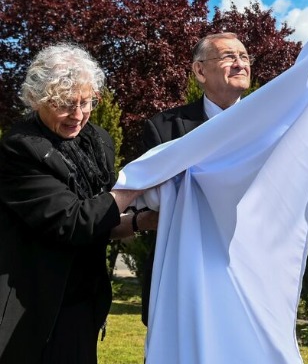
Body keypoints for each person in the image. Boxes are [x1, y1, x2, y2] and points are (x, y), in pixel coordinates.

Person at [0, 43, 156, 364]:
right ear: (36, 99)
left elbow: (100, 219)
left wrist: (142, 221)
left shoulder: (98, 141)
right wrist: (141, 182)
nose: (78, 115)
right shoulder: (20, 149)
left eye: (86, 102)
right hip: (37, 306)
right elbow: (73, 221)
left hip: (85, 299)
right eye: (66, 104)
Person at [138, 32, 252, 326]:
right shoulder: (165, 128)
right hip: (183, 277)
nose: (240, 64)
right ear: (199, 70)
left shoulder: (270, 124)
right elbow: (151, 201)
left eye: (244, 57)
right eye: (229, 57)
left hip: (251, 274)